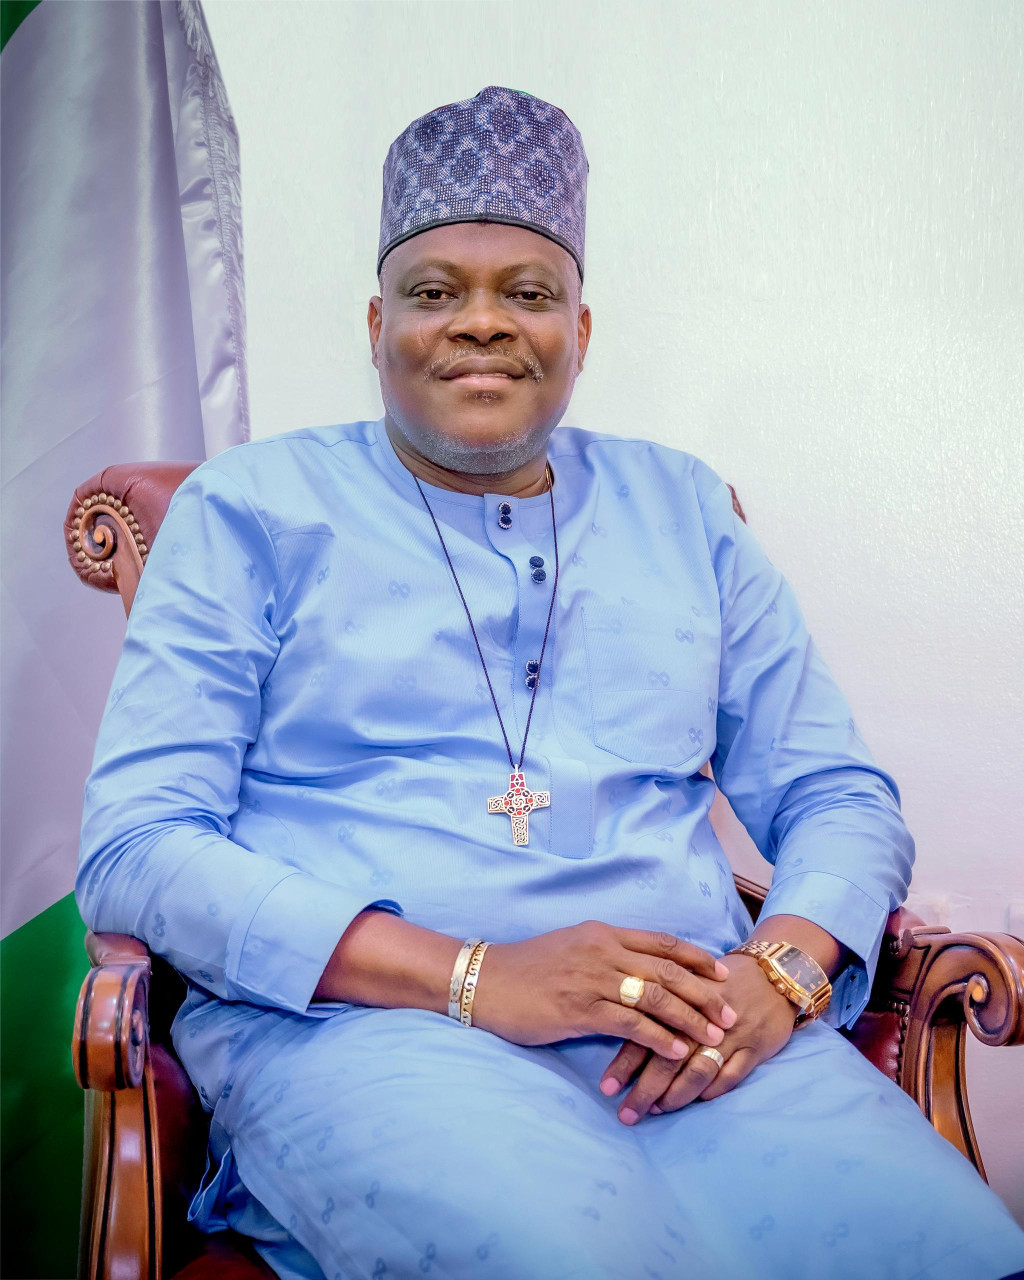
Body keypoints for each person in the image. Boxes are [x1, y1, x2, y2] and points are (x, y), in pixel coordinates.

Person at [77, 85, 1024, 1280]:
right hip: (371, 1036)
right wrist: (479, 975)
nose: (482, 323)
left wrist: (776, 972)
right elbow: (138, 845)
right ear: (376, 323)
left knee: (952, 1251)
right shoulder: (248, 510)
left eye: (526, 293)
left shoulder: (681, 508)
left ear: (580, 328)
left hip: (691, 1033)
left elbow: (836, 791)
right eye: (435, 292)